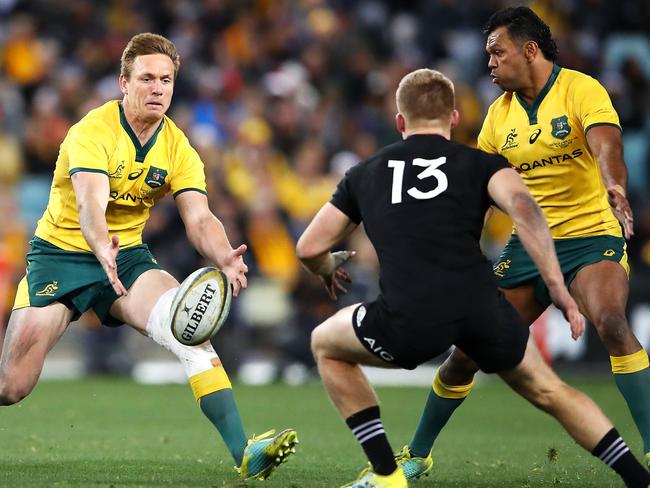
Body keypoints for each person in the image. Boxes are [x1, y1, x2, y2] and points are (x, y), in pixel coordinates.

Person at [297, 68, 650, 488]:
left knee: (326, 344)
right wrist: (557, 286)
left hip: (408, 315)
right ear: (454, 119)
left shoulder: (366, 172)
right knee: (552, 393)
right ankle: (638, 478)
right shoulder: (482, 164)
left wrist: (327, 267)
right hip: (480, 308)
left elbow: (308, 248)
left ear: (399, 121)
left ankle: (387, 474)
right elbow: (526, 210)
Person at [0, 33, 297, 481]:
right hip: (62, 255)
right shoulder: (92, 131)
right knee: (11, 386)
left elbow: (200, 219)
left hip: (128, 258)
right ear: (124, 82)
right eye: (146, 79)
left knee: (190, 329)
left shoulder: (178, 146)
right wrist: (100, 244)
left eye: (166, 80)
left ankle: (245, 453)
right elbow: (89, 205)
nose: (157, 88)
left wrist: (226, 256)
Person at [396, 7, 650, 480]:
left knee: (613, 323)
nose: (489, 63)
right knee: (466, 353)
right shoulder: (498, 118)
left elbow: (606, 145)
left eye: (498, 52)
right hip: (529, 247)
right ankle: (415, 455)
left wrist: (614, 185)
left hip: (591, 234)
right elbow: (481, 194)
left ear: (530, 50)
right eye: (488, 55)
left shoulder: (581, 89)